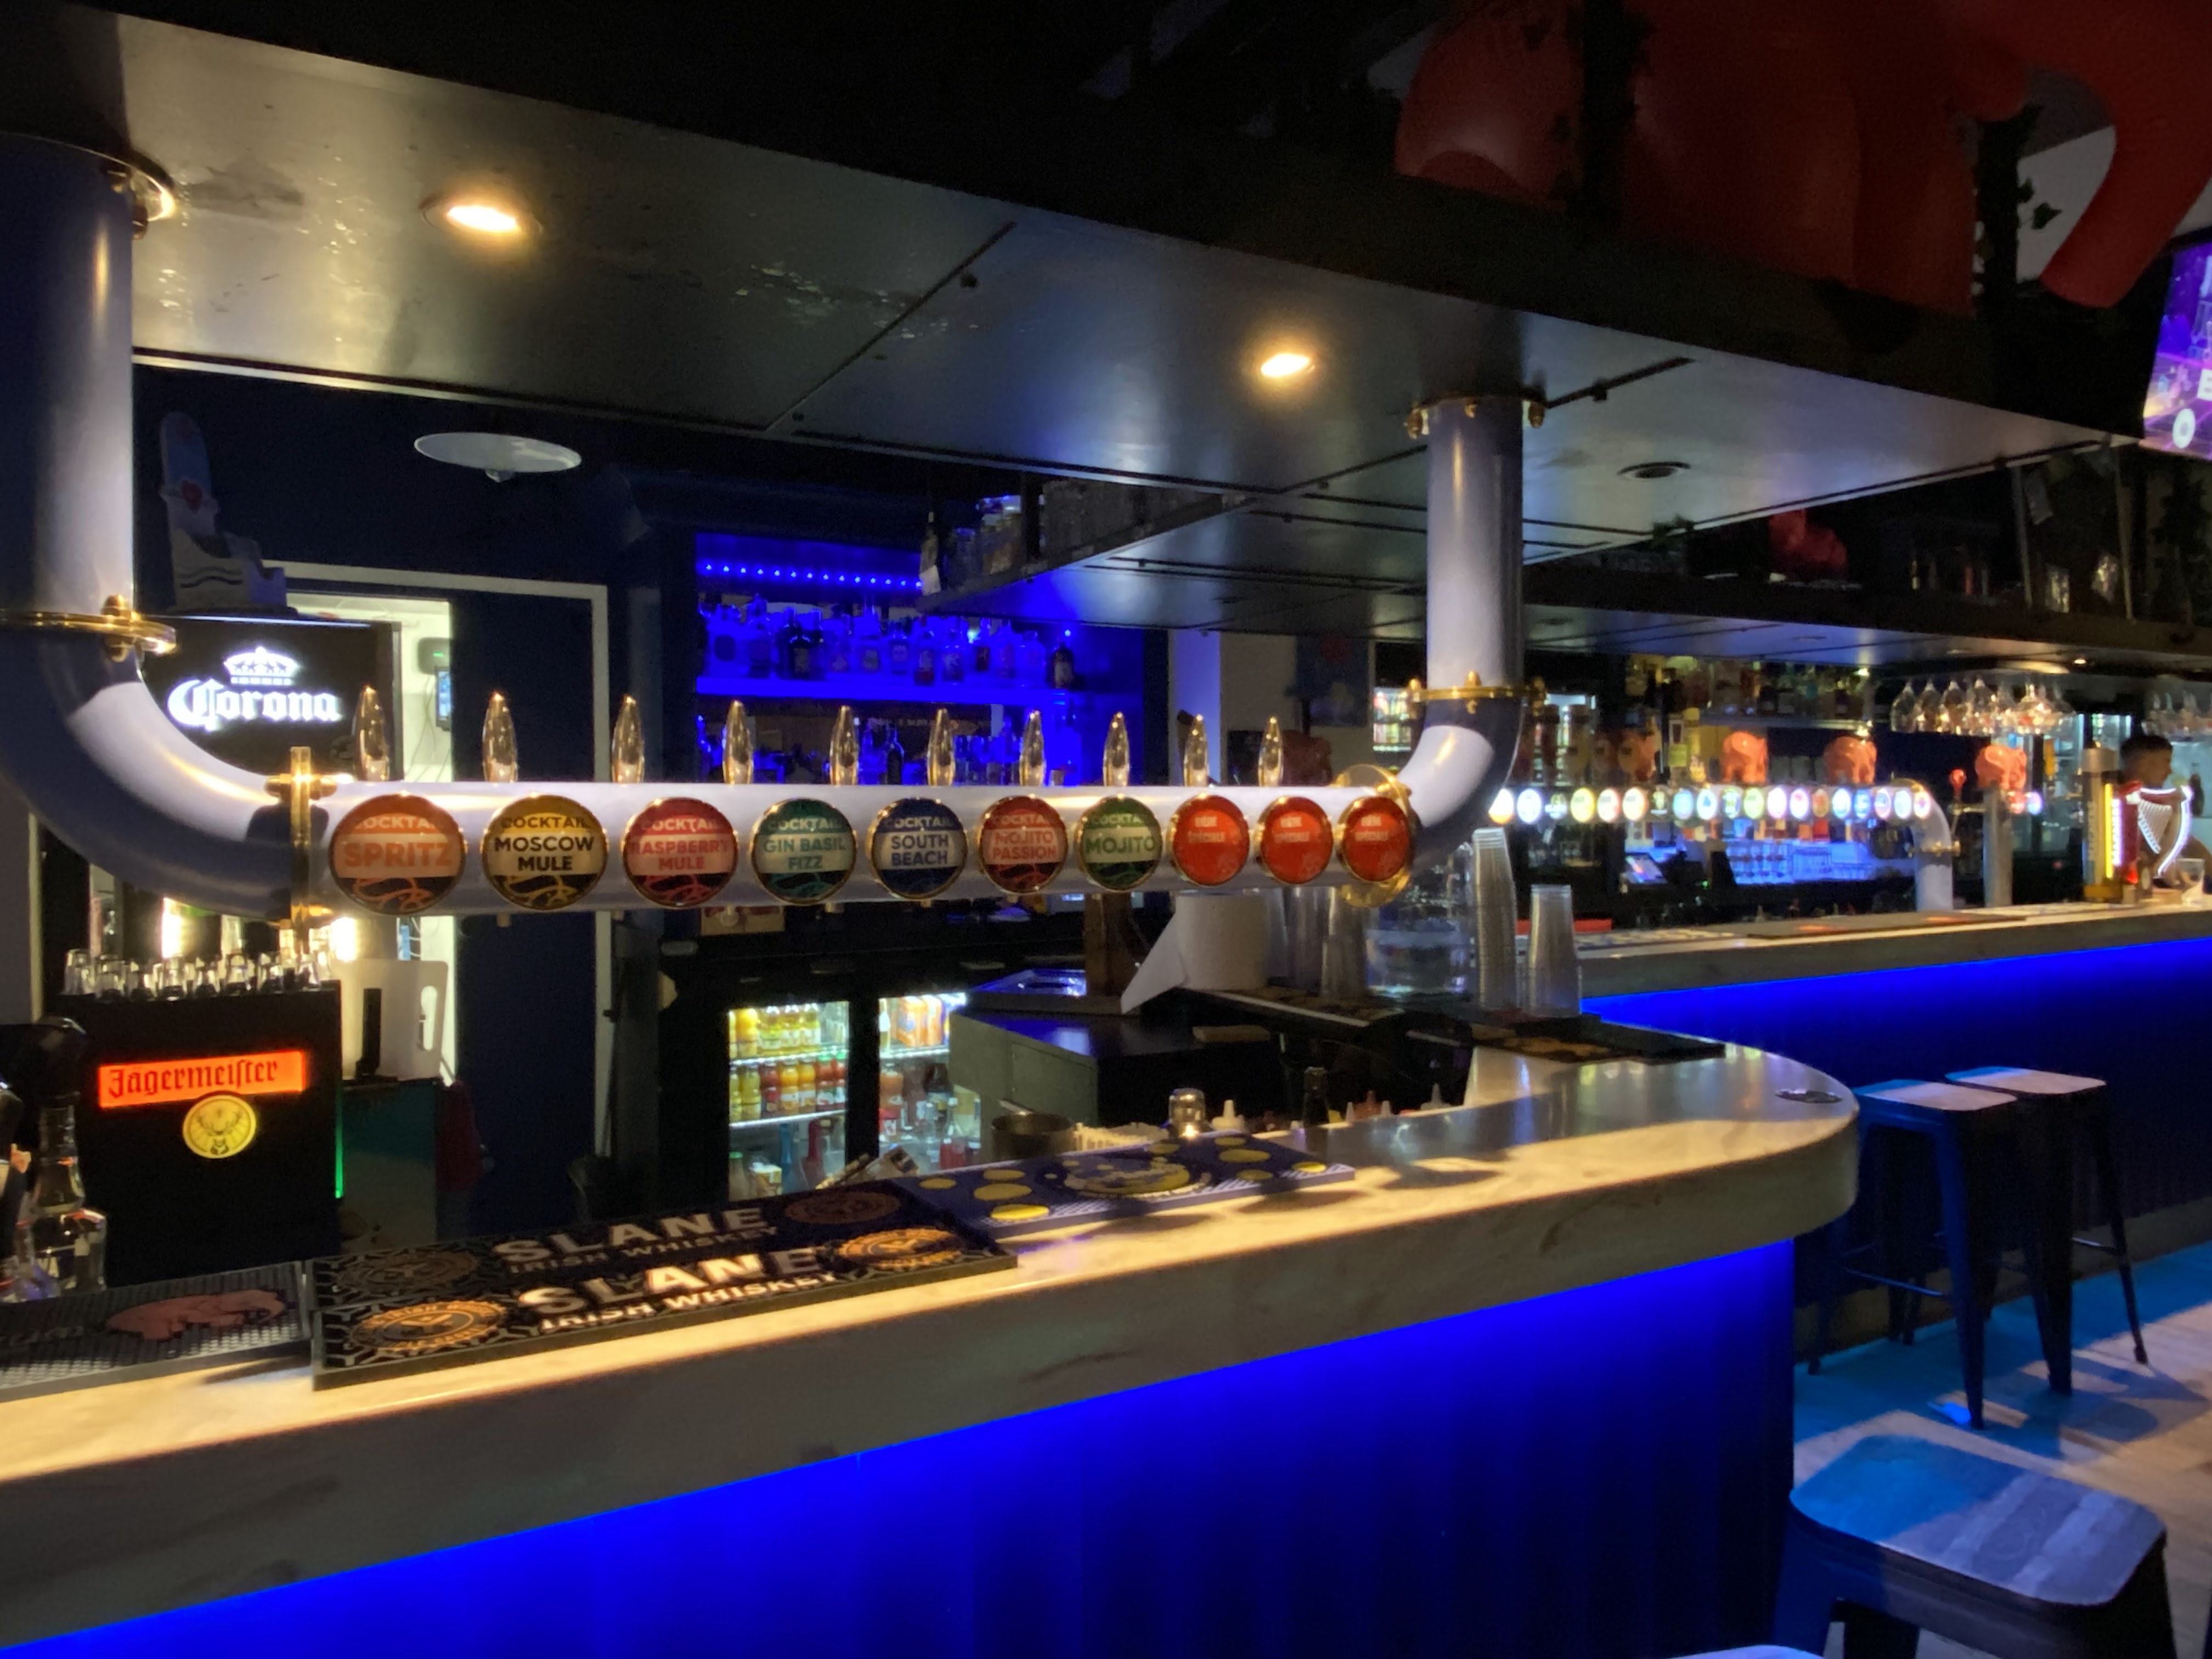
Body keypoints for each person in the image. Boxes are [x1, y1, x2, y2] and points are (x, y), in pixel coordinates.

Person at [2118, 732, 2210, 879]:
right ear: (2141, 764)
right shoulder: (2113, 805)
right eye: (2166, 762)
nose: (2170, 771)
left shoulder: (2160, 808)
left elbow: (2188, 845)